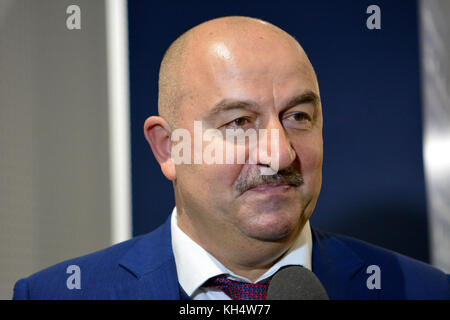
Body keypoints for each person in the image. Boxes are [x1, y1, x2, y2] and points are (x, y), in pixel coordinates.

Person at [13, 16, 450, 300]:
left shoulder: (425, 292)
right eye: (240, 122)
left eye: (298, 116)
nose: (279, 154)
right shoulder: (59, 294)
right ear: (168, 148)